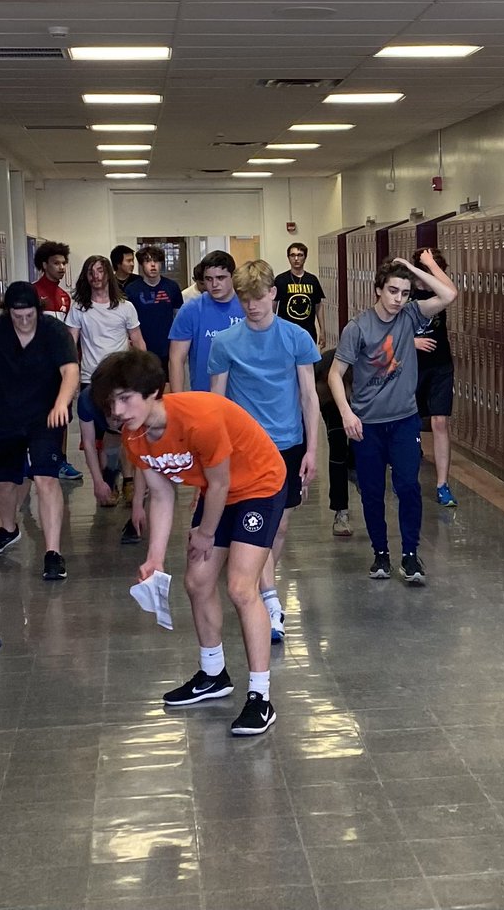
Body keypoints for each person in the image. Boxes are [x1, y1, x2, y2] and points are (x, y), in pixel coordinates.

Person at [93, 350, 287, 736]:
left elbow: (220, 483)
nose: (118, 411)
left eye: (125, 398)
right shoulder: (134, 436)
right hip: (219, 492)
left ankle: (260, 697)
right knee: (197, 582)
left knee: (240, 587)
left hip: (259, 484)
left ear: (152, 392)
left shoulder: (200, 418)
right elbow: (162, 494)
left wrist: (206, 533)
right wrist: (155, 558)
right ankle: (213, 675)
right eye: (111, 403)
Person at [328, 251, 457, 584]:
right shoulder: (358, 327)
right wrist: (346, 413)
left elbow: (448, 295)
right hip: (368, 425)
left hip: (404, 421)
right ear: (378, 290)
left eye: (404, 293)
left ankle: (410, 555)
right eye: (392, 291)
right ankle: (381, 554)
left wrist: (413, 268)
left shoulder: (411, 315)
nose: (399, 299)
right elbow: (335, 374)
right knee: (372, 492)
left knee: (408, 487)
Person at [208, 260, 320, 642]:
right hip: (246, 451)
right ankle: (269, 602)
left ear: (273, 293)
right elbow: (217, 403)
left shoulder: (296, 338)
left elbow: (309, 396)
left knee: (280, 526)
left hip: (288, 444)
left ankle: (259, 586)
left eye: (258, 297)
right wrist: (215, 458)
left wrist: (312, 450)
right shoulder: (225, 342)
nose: (251, 305)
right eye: (244, 299)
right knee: (261, 527)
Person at [0, 281, 78, 581]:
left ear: (37, 310)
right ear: (8, 312)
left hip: (46, 415)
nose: (24, 321)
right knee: (4, 482)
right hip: (6, 414)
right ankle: (8, 529)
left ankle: (53, 553)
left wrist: (61, 403)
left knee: (46, 479)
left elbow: (70, 370)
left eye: (29, 315)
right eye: (17, 316)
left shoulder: (54, 331)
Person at [66, 255, 145, 517]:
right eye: (91, 272)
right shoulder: (79, 308)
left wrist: (144, 374)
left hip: (121, 378)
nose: (96, 277)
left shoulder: (125, 307)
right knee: (103, 437)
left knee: (126, 431)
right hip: (91, 378)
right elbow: (70, 345)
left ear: (108, 274)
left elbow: (138, 341)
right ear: (86, 277)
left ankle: (129, 480)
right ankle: (107, 482)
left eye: (101, 271)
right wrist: (69, 380)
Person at [410, 247, 457, 508]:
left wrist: (432, 265)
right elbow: (387, 327)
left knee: (440, 422)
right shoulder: (405, 291)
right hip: (412, 366)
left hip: (440, 365)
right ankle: (407, 470)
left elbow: (451, 292)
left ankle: (442, 485)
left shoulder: (439, 291)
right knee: (410, 422)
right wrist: (411, 342)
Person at [32, 240, 82, 481]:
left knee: (63, 413)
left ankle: (60, 460)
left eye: (64, 263)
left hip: (59, 367)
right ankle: (38, 459)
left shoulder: (64, 297)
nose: (61, 268)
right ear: (44, 265)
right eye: (56, 263)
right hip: (36, 367)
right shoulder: (33, 292)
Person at [77, 381, 148, 542]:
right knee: (111, 441)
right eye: (113, 418)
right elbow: (88, 444)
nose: (116, 422)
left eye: (118, 419)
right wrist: (97, 481)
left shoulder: (137, 402)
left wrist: (138, 503)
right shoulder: (86, 402)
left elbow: (143, 457)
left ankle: (126, 482)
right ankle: (110, 474)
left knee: (150, 477)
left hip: (135, 410)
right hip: (104, 414)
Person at [167, 250, 243, 392]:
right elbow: (176, 359)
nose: (214, 284)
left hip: (242, 394)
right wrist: (178, 400)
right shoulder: (190, 310)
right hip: (204, 393)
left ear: (232, 277)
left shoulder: (247, 306)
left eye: (220, 278)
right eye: (209, 279)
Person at [125, 247, 183, 371]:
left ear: (161, 264)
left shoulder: (172, 287)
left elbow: (178, 318)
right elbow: (127, 321)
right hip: (142, 348)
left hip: (168, 347)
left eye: (156, 261)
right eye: (148, 261)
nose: (153, 265)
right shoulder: (131, 290)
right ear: (141, 265)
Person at [316, 348, 354, 537]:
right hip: (329, 402)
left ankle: (354, 468)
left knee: (361, 444)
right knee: (338, 449)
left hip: (359, 398)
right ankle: (341, 511)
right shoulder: (323, 366)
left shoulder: (361, 358)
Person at [274, 242, 326, 344]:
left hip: (307, 332)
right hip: (285, 332)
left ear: (305, 257)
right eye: (293, 255)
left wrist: (322, 331)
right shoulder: (280, 280)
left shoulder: (312, 280)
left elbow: (318, 306)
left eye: (300, 255)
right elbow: (273, 306)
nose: (296, 259)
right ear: (288, 258)